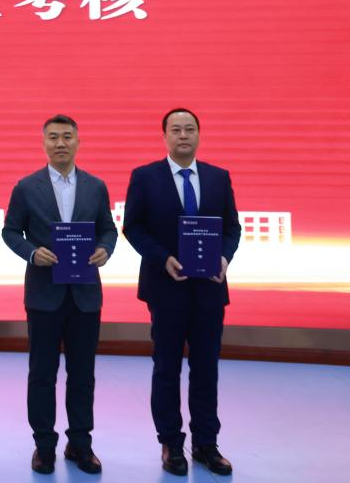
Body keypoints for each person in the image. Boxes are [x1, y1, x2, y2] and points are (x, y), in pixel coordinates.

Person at [123, 108, 240, 477]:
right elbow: (133, 228)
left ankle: (206, 444)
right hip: (166, 288)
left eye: (190, 129)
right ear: (165, 136)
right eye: (176, 130)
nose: (183, 135)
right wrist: (163, 259)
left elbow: (232, 228)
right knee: (167, 368)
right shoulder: (145, 177)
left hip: (209, 290)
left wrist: (224, 258)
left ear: (199, 135)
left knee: (206, 369)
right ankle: (171, 444)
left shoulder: (218, 178)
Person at [1, 115, 117, 475]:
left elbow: (109, 230)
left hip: (85, 294)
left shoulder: (96, 187)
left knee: (83, 374)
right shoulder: (26, 187)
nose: (61, 143)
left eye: (67, 136)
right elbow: (10, 232)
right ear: (43, 143)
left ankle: (80, 444)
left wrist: (105, 249)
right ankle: (44, 445)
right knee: (42, 373)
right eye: (53, 137)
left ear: (78, 141)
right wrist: (32, 253)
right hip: (44, 294)